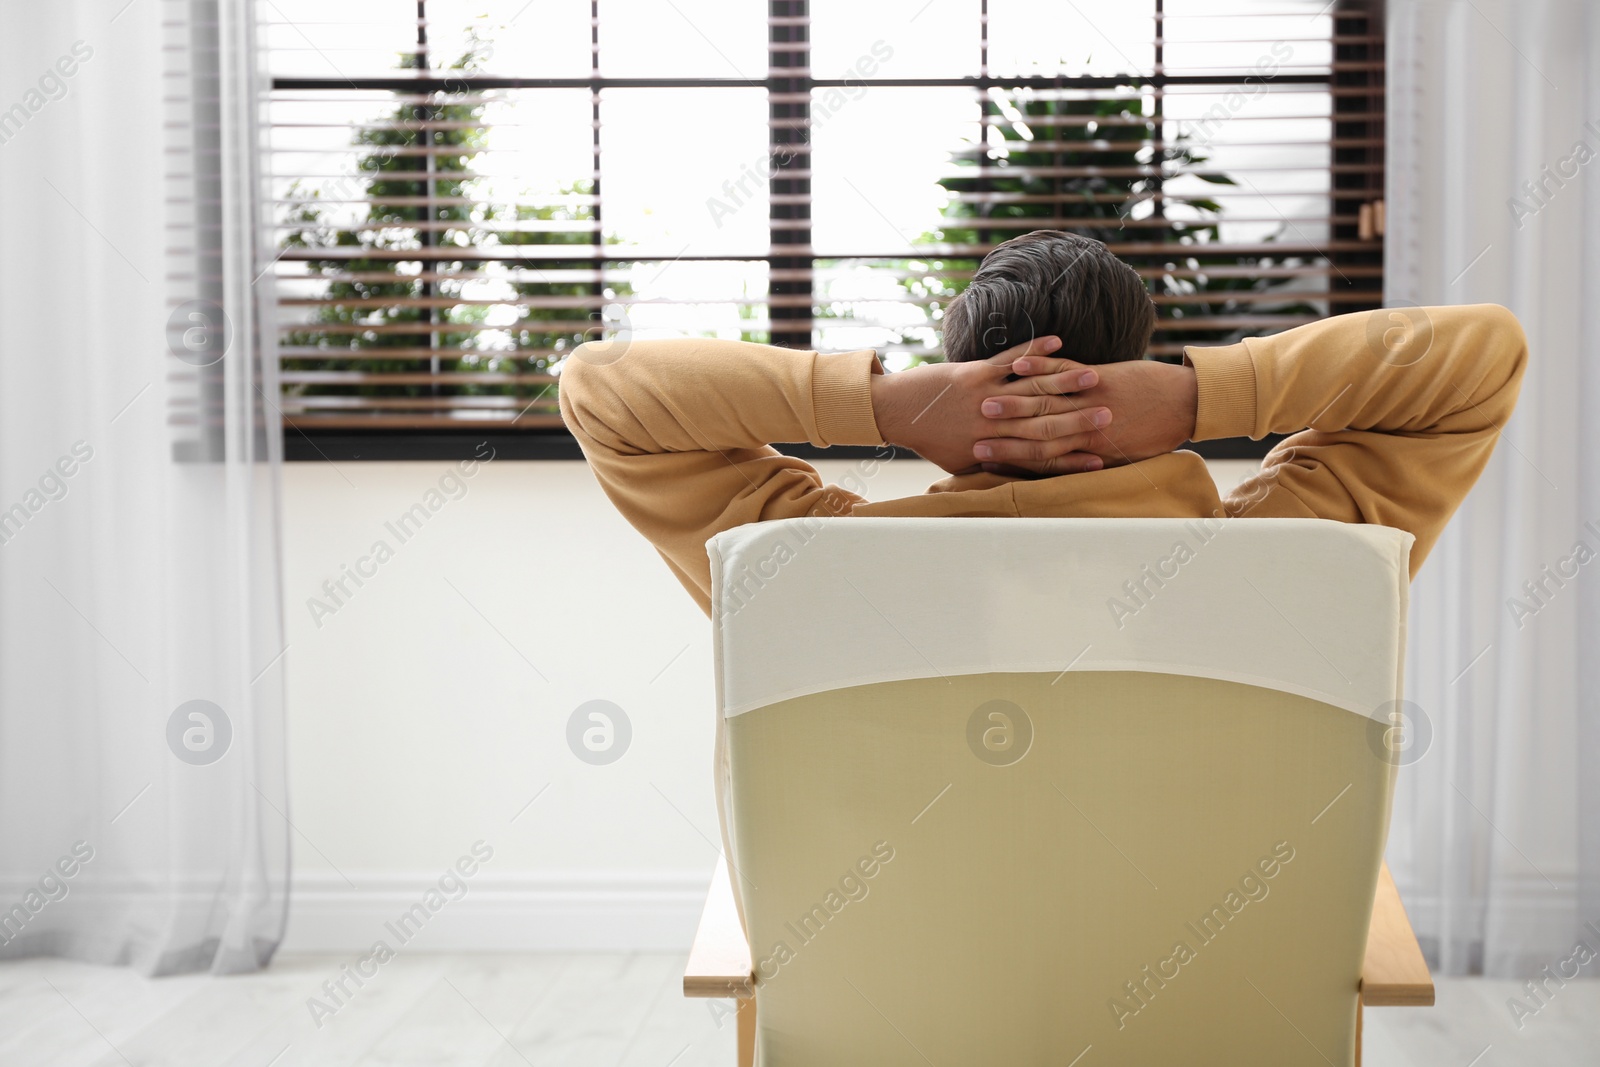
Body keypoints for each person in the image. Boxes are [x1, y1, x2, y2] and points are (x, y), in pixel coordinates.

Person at [559, 230, 1528, 616]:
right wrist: (1197, 398)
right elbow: (1478, 355)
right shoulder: (1299, 554)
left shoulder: (798, 566)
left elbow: (603, 387)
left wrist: (889, 405)